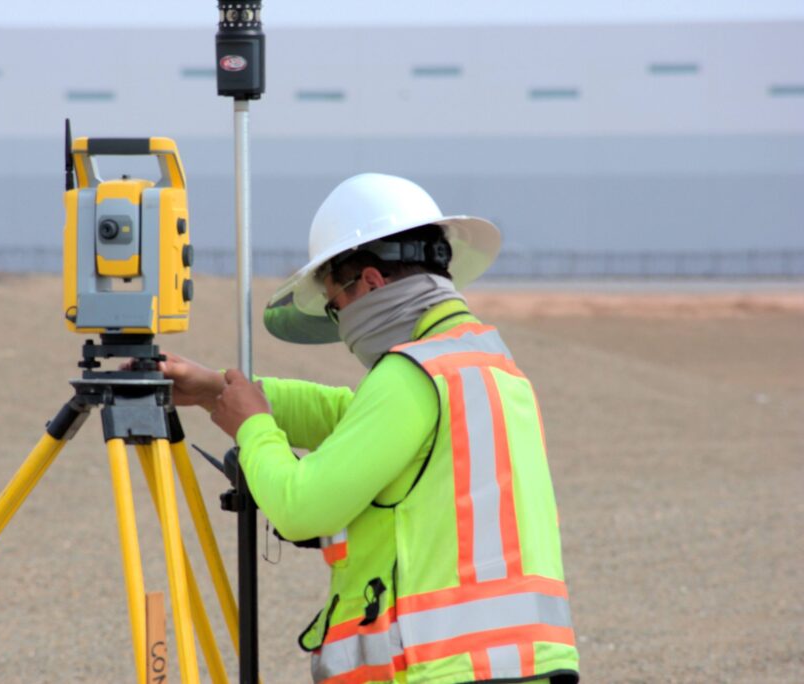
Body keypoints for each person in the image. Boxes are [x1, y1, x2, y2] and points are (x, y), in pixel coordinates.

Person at [164, 173, 579, 683]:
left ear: (371, 283)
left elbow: (300, 508)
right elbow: (357, 418)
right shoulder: (482, 364)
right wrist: (218, 390)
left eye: (336, 306)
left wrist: (254, 430)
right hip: (520, 663)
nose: (341, 326)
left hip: (442, 668)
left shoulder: (410, 375)